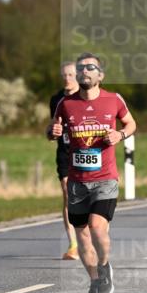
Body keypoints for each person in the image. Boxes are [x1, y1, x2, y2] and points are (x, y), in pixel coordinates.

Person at [49, 53, 135, 293]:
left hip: (105, 178)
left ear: (100, 75)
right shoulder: (65, 103)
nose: (84, 71)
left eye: (90, 67)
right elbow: (53, 128)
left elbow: (131, 124)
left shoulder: (113, 99)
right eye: (80, 68)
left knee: (97, 227)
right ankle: (95, 282)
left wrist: (120, 134)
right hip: (77, 181)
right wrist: (52, 131)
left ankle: (105, 266)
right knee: (83, 235)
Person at [48, 61, 80, 260]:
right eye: (64, 75)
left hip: (86, 152)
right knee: (69, 195)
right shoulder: (56, 99)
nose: (67, 79)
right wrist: (52, 132)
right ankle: (74, 244)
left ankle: (90, 235)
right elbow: (51, 129)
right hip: (65, 153)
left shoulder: (85, 96)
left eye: (70, 75)